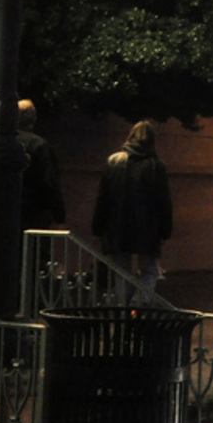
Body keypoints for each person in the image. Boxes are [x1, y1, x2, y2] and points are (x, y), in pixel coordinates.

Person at [91, 119, 173, 302]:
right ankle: (140, 303)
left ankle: (123, 308)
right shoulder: (155, 166)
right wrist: (165, 231)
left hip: (117, 226)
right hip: (147, 228)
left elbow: (103, 198)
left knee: (122, 271)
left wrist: (98, 228)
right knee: (150, 269)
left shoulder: (115, 161)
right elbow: (163, 202)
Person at [16, 98, 65, 230]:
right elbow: (50, 182)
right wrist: (59, 216)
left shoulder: (0, 142)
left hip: (3, 211)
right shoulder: (39, 145)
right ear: (33, 118)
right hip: (33, 213)